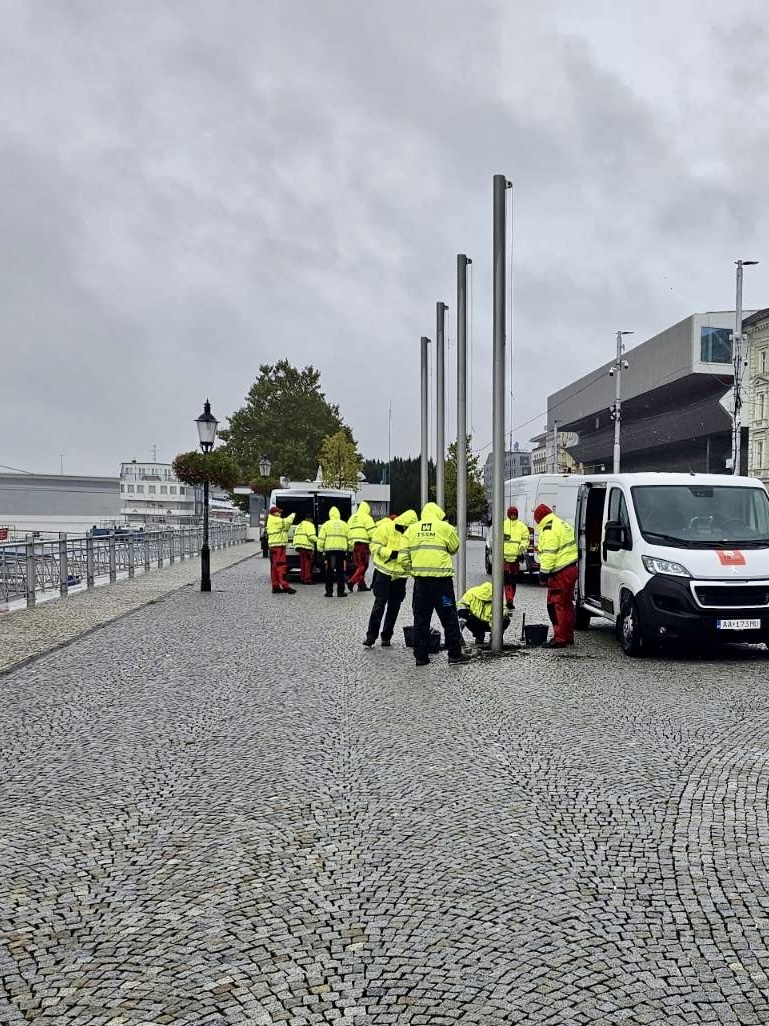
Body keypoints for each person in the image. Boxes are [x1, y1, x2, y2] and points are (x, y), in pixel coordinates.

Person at [399, 501, 471, 666]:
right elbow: (454, 547)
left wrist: (414, 571)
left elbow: (403, 558)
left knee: (421, 620)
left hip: (421, 586)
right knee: (449, 617)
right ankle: (454, 655)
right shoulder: (445, 528)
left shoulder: (411, 530)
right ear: (438, 513)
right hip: (442, 586)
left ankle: (421, 657)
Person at [363, 509, 418, 647]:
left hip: (400, 576)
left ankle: (386, 636)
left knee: (394, 607)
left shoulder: (412, 534)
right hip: (384, 573)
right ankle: (371, 636)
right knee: (379, 606)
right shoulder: (387, 528)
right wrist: (390, 553)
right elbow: (374, 545)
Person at [533, 503, 578, 648]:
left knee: (555, 605)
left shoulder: (549, 529)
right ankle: (568, 635)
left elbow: (549, 554)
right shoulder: (562, 524)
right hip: (571, 569)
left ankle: (559, 638)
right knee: (567, 604)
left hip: (560, 573)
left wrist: (543, 574)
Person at [318, 506, 350, 597]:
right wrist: (350, 551)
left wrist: (320, 551)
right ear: (339, 514)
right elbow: (350, 539)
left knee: (329, 571)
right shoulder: (344, 525)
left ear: (330, 515)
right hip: (341, 552)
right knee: (340, 572)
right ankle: (341, 592)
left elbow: (321, 539)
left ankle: (329, 592)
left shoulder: (326, 524)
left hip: (330, 552)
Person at [503, 505, 530, 610]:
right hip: (504, 559)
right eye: (512, 514)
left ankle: (510, 599)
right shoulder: (503, 525)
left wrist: (522, 547)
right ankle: (509, 599)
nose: (513, 516)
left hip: (515, 559)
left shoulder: (522, 526)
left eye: (515, 514)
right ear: (509, 514)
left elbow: (525, 539)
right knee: (507, 581)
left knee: (513, 581)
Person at [266, 506, 297, 594]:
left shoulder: (272, 520)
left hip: (274, 546)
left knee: (274, 568)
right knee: (281, 566)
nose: (280, 514)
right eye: (278, 512)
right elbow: (287, 523)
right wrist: (293, 515)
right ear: (274, 513)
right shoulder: (275, 520)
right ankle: (285, 586)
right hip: (278, 546)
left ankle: (275, 586)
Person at [347, 500, 376, 591]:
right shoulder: (366, 517)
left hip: (354, 545)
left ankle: (361, 585)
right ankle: (351, 581)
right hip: (363, 545)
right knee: (364, 565)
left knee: (359, 565)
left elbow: (347, 532)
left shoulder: (351, 518)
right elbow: (372, 532)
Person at [292, 513, 318, 584]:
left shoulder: (300, 524)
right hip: (306, 546)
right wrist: (319, 540)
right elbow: (311, 536)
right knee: (308, 564)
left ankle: (302, 578)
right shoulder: (310, 525)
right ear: (310, 519)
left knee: (302, 563)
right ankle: (307, 579)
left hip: (299, 546)